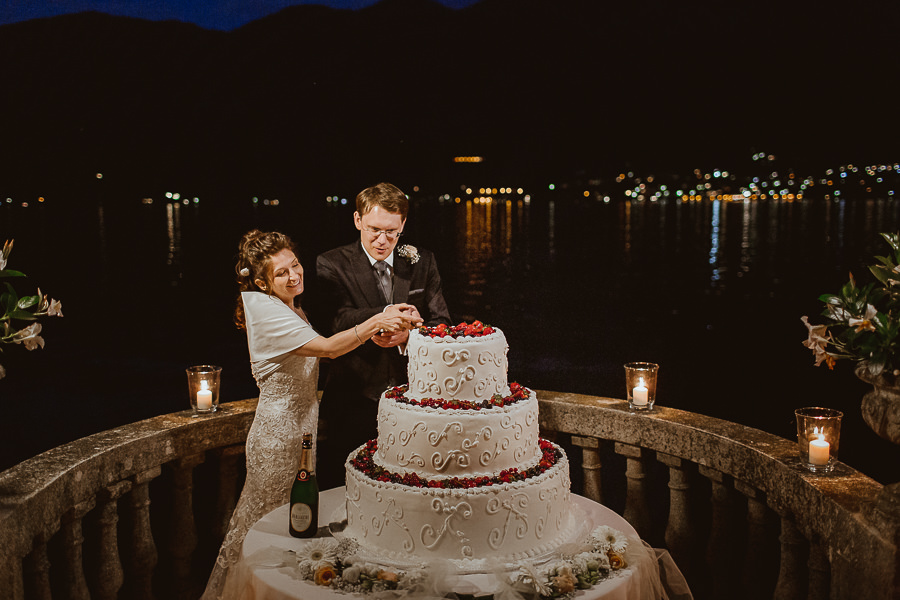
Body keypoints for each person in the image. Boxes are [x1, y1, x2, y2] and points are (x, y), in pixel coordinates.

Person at [201, 230, 421, 600]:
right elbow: (330, 349)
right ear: (262, 283)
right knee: (264, 529)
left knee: (290, 525)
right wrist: (378, 320)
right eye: (282, 273)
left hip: (299, 433)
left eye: (296, 265)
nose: (294, 276)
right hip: (276, 439)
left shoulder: (290, 306)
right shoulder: (269, 314)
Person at [315, 182, 451, 488]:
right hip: (352, 398)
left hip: (413, 401)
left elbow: (441, 321)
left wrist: (407, 337)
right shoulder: (331, 263)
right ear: (357, 220)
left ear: (403, 223)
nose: (382, 240)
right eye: (374, 229)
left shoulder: (422, 260)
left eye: (392, 231)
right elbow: (335, 319)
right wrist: (381, 321)